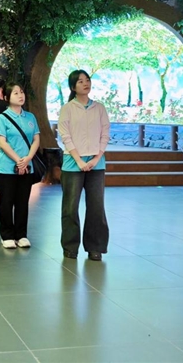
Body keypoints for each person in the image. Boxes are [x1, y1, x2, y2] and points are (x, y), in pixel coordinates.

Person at [57, 69, 110, 261]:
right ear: (73, 87)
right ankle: (70, 246)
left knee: (96, 207)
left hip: (96, 164)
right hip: (73, 164)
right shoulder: (67, 108)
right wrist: (79, 160)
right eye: (80, 81)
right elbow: (65, 136)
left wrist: (96, 158)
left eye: (87, 80)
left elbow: (105, 134)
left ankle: (95, 247)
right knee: (70, 207)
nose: (85, 83)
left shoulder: (99, 108)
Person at [0, 82, 40, 249]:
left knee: (22, 202)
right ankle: (7, 235)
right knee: (6, 202)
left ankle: (21, 235)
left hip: (27, 167)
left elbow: (36, 139)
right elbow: (2, 142)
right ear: (7, 97)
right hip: (7, 167)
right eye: (15, 93)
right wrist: (18, 160)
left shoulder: (30, 117)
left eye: (21, 92)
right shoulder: (2, 118)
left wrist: (27, 159)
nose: (21, 96)